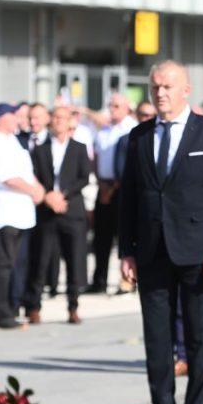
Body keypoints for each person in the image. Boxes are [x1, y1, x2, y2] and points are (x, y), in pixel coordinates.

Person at [119, 60, 203, 404]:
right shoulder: (138, 136)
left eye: (168, 87)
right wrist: (126, 250)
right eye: (155, 88)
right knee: (156, 336)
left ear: (186, 89)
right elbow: (129, 199)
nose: (160, 93)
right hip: (151, 252)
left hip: (198, 253)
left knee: (199, 337)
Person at [0, 104, 45, 329]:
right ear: (1, 118)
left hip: (18, 213)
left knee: (9, 265)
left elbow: (24, 171)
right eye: (13, 115)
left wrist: (37, 187)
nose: (18, 119)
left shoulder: (11, 140)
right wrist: (33, 190)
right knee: (0, 267)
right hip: (1, 214)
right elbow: (7, 177)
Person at [24, 106, 92, 325]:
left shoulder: (79, 148)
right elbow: (33, 175)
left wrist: (63, 195)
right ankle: (33, 306)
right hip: (47, 211)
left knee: (74, 260)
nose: (58, 122)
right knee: (40, 259)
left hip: (71, 210)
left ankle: (73, 306)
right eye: (54, 118)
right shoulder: (41, 149)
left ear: (70, 121)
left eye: (62, 118)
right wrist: (49, 197)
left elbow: (84, 178)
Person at [90, 93, 137, 295]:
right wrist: (102, 185)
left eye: (117, 105)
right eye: (110, 105)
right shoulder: (104, 132)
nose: (113, 109)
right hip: (103, 187)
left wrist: (113, 188)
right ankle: (98, 280)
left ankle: (127, 280)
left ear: (127, 108)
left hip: (122, 189)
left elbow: (130, 165)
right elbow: (96, 159)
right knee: (101, 237)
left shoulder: (132, 130)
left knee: (124, 237)